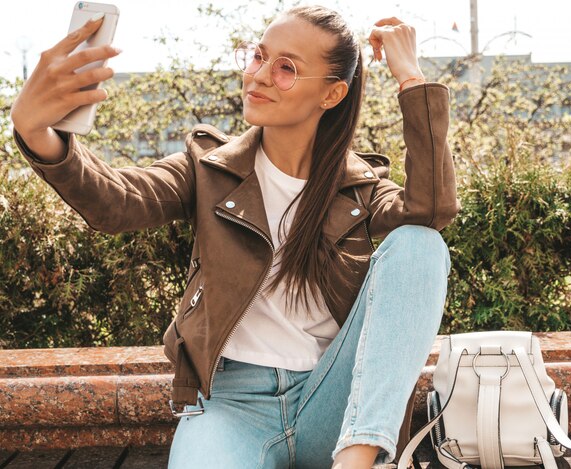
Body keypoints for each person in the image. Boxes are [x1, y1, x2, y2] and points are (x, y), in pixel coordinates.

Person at [10, 4, 460, 468]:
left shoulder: (361, 192)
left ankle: (359, 458)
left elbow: (431, 208)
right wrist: (36, 129)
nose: (260, 75)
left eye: (286, 68)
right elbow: (116, 201)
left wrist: (411, 79)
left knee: (419, 244)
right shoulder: (209, 170)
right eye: (258, 57)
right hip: (231, 406)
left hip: (334, 404)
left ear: (332, 94)